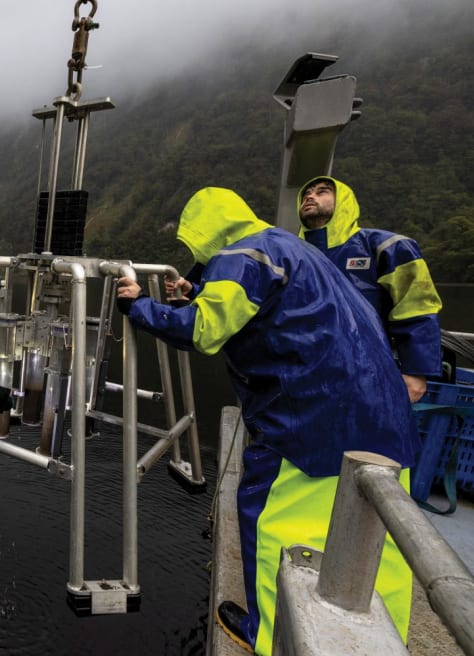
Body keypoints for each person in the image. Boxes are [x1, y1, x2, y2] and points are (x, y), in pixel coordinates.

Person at [116, 187, 420, 655]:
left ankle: (267, 635)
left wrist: (137, 305)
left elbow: (203, 330)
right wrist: (198, 292)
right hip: (383, 412)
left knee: (274, 520)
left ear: (205, 229)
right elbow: (264, 307)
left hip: (312, 417)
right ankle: (388, 640)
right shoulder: (290, 247)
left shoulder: (241, 255)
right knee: (376, 536)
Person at [298, 176, 443, 402]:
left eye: (322, 191)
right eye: (306, 193)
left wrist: (416, 372)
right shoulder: (292, 255)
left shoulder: (386, 246)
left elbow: (416, 308)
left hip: (369, 372)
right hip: (304, 376)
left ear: (344, 201)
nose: (310, 196)